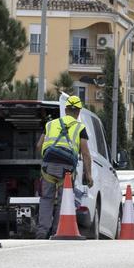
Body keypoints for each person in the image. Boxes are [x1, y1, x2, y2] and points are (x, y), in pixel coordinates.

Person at [35, 95, 93, 239]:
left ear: (66, 109)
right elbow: (85, 153)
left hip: (49, 164)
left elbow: (38, 146)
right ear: (78, 112)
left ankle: (42, 232)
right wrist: (89, 175)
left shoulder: (50, 124)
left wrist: (47, 159)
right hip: (67, 167)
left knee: (46, 198)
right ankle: (57, 232)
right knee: (64, 199)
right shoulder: (80, 127)